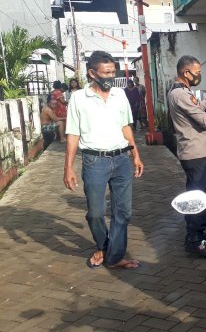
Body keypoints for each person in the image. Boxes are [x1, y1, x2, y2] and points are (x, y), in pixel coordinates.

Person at [63, 50, 144, 270]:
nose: (110, 76)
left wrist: (135, 155)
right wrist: (68, 167)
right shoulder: (79, 98)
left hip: (121, 160)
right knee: (96, 213)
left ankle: (114, 257)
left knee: (123, 212)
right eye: (105, 73)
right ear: (92, 73)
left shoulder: (120, 95)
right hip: (94, 162)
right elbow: (72, 134)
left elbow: (126, 127)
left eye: (112, 72)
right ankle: (105, 246)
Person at [167, 55, 206, 258]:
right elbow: (203, 120)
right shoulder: (180, 94)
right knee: (201, 196)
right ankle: (194, 240)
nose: (199, 76)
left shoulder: (184, 92)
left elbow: (197, 108)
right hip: (194, 154)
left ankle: (198, 232)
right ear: (186, 73)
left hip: (198, 152)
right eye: (197, 73)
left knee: (203, 192)